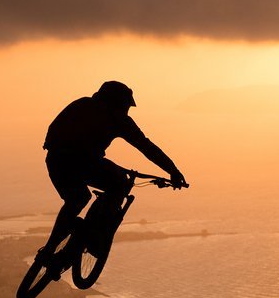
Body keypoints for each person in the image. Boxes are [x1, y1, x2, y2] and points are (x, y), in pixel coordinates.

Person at [36, 80, 187, 274]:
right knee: (119, 184)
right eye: (125, 106)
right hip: (84, 161)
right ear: (116, 103)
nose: (127, 111)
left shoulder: (81, 104)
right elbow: (146, 147)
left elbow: (53, 130)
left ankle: (48, 250)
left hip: (56, 160)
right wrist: (172, 171)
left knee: (77, 199)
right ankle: (93, 236)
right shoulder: (118, 119)